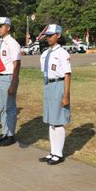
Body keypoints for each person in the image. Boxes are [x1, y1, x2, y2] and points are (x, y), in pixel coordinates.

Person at [38, 24, 71, 165]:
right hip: (48, 85)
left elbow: (67, 75)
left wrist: (66, 95)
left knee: (58, 122)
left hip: (59, 85)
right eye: (47, 36)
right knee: (51, 122)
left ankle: (59, 153)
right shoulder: (45, 53)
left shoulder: (62, 53)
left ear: (58, 35)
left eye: (51, 35)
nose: (48, 38)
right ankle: (53, 151)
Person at [0, 17, 21, 146]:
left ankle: (10, 135)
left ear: (8, 27)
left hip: (8, 77)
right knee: (2, 107)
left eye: (1, 26)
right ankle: (4, 132)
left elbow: (17, 64)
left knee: (10, 108)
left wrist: (14, 83)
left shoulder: (12, 43)